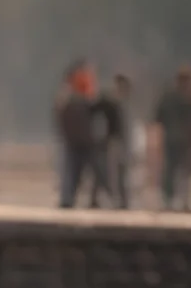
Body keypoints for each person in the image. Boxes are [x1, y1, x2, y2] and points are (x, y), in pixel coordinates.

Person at [155, 67, 191, 211]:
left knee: (180, 170)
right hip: (180, 139)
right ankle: (174, 199)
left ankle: (178, 199)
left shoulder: (182, 96)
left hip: (182, 140)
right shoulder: (181, 97)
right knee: (177, 170)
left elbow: (158, 116)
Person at [55, 61, 99, 209]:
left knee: (77, 172)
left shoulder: (70, 97)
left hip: (79, 140)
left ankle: (71, 198)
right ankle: (69, 198)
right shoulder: (74, 96)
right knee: (76, 172)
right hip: (78, 140)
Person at [100, 73, 137, 209]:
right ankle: (115, 200)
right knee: (113, 174)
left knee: (123, 174)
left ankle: (124, 201)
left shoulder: (125, 104)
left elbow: (128, 127)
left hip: (123, 141)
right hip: (114, 141)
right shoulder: (111, 103)